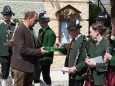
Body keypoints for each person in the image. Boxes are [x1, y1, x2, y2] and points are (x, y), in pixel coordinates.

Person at [10, 11, 48, 86]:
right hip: (20, 67)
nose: (37, 22)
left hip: (28, 66)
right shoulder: (20, 29)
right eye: (35, 20)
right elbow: (22, 49)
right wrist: (39, 51)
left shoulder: (30, 29)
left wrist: (42, 48)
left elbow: (32, 45)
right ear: (29, 18)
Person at [54, 19, 87, 86]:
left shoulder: (83, 41)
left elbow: (86, 60)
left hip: (78, 74)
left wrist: (76, 68)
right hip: (71, 72)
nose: (68, 32)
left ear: (75, 30)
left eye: (69, 30)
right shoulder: (73, 40)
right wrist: (61, 47)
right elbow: (68, 52)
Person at [34, 11, 56, 86]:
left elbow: (50, 49)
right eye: (40, 22)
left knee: (45, 76)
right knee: (36, 75)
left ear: (47, 22)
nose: (41, 24)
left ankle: (48, 84)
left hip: (46, 58)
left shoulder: (51, 33)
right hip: (38, 56)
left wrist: (41, 51)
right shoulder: (40, 30)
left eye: (43, 22)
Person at [0, 5, 15, 86]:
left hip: (14, 54)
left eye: (7, 14)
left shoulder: (15, 26)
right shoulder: (0, 26)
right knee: (4, 73)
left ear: (10, 15)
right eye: (4, 14)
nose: (5, 15)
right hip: (3, 53)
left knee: (14, 72)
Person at [104, 17, 115, 86]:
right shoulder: (112, 40)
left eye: (113, 26)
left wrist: (111, 58)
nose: (111, 29)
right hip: (110, 71)